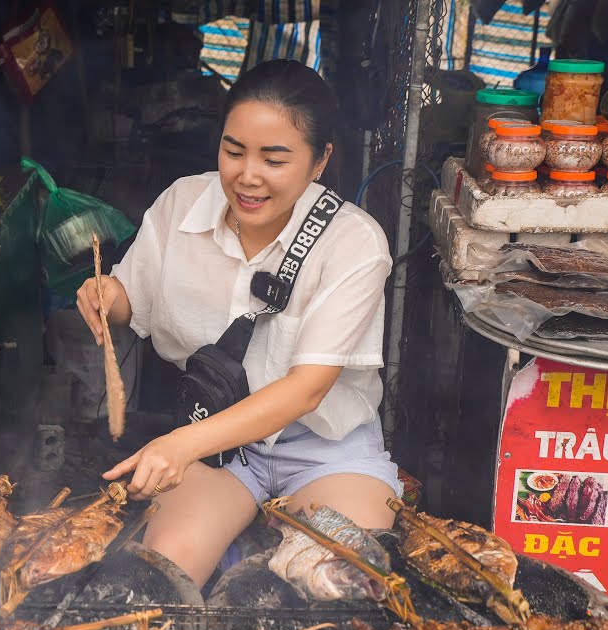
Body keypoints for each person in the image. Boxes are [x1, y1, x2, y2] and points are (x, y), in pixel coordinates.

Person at [76, 60, 400, 588]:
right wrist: (104, 296)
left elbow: (306, 390)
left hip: (321, 447)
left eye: (274, 159)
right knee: (161, 575)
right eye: (233, 151)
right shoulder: (181, 203)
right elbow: (132, 304)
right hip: (216, 444)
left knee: (338, 586)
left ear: (320, 161)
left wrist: (180, 446)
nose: (247, 176)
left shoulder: (353, 242)